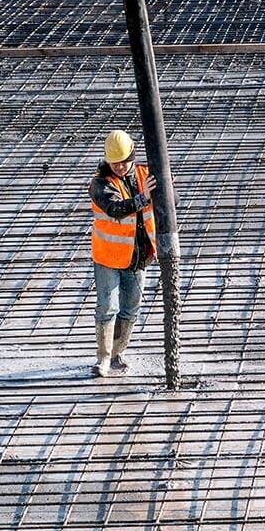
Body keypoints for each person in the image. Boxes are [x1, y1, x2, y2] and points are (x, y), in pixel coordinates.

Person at [89, 130, 157, 376]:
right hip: (108, 257)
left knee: (131, 307)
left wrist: (165, 185)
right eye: (114, 162)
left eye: (124, 160)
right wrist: (143, 198)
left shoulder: (144, 174)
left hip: (138, 255)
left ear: (132, 154)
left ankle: (118, 353)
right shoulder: (100, 183)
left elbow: (173, 201)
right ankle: (103, 359)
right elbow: (115, 209)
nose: (120, 166)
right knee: (107, 307)